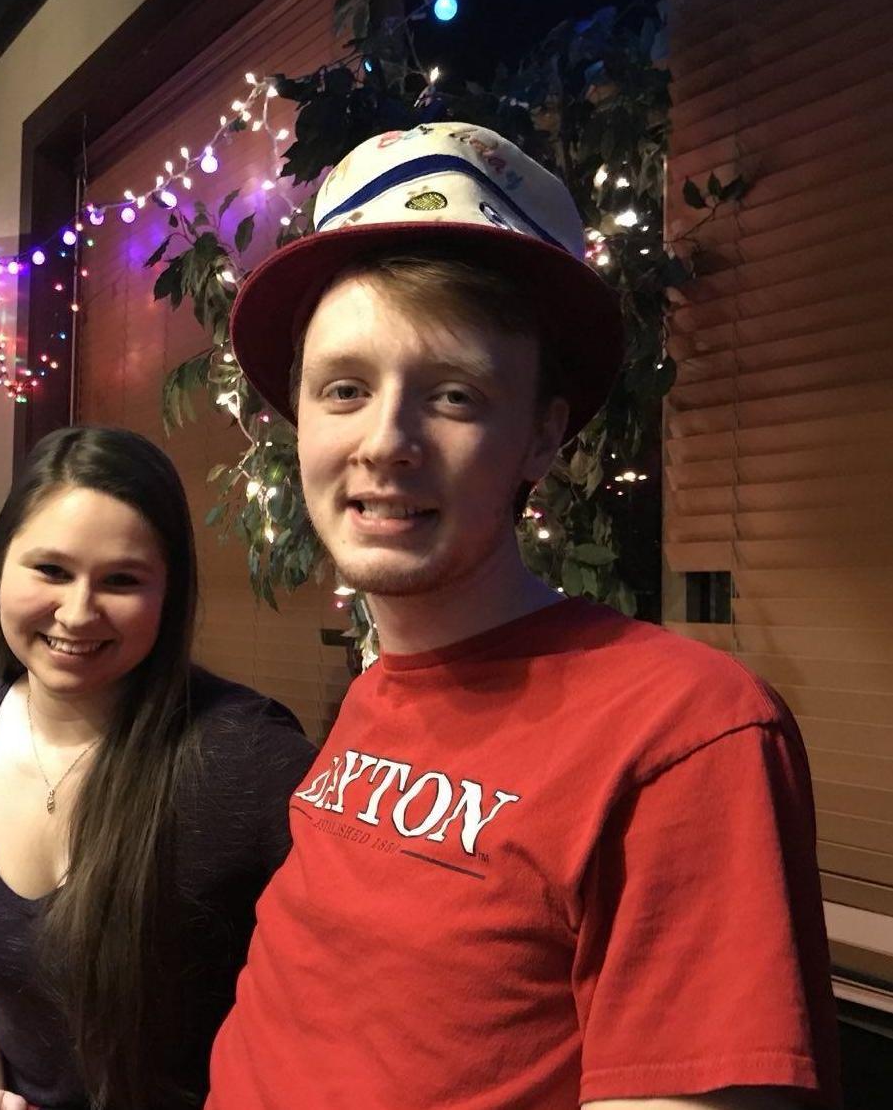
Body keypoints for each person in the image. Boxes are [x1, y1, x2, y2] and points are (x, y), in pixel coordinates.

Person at [207, 123, 841, 1109]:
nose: (385, 441)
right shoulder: (378, 685)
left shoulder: (685, 730)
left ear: (542, 436)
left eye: (454, 396)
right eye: (344, 389)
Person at [0, 426, 317, 1110]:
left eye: (121, 580)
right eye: (51, 570)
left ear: (168, 594)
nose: (77, 612)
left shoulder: (251, 758)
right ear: (0, 568)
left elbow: (328, 1000)